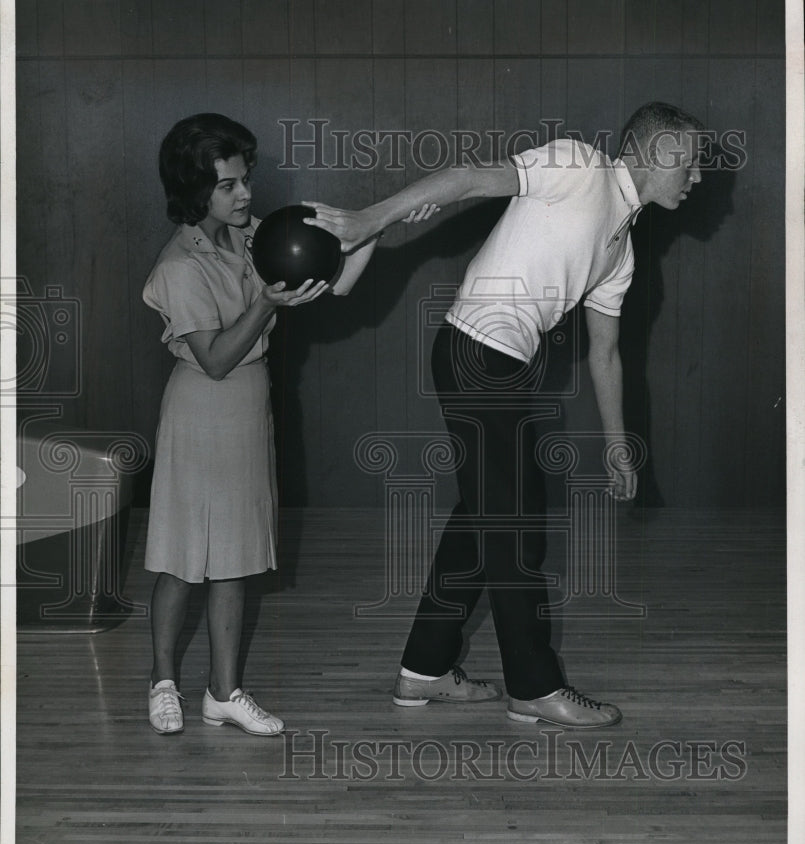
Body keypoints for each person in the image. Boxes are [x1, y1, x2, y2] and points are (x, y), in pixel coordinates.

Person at [306, 101, 704, 729]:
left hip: (505, 366)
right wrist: (367, 220)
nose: (698, 178)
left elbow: (605, 354)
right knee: (516, 525)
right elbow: (468, 177)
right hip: (474, 352)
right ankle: (534, 687)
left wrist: (617, 443)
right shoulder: (579, 164)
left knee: (484, 517)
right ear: (660, 156)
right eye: (692, 164)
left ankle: (424, 670)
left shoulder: (620, 249)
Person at [143, 113, 385, 736]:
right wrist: (266, 302)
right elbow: (217, 358)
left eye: (244, 179)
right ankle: (162, 681)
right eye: (228, 186)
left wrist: (372, 233)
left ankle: (223, 692)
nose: (245, 193)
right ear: (197, 191)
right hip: (200, 410)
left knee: (234, 561)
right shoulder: (178, 266)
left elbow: (333, 285)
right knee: (182, 562)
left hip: (251, 408)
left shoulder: (250, 237)